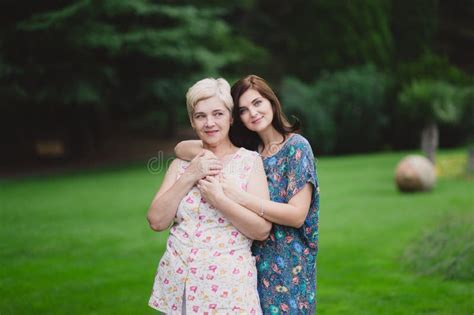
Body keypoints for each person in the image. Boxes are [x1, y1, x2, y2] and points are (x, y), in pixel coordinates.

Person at [174, 75, 320, 314]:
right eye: (243, 109)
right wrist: (204, 158)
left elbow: (297, 215)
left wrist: (237, 196)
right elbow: (181, 147)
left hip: (289, 265)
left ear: (271, 102)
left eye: (257, 103)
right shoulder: (249, 150)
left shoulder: (297, 147)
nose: (253, 113)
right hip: (249, 264)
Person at [147, 77, 271, 314]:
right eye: (200, 116)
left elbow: (262, 229)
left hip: (229, 289)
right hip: (179, 285)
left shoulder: (249, 162)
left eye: (218, 114)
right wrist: (190, 175)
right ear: (192, 122)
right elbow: (156, 221)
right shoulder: (180, 165)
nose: (209, 123)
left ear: (231, 118)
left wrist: (220, 201)